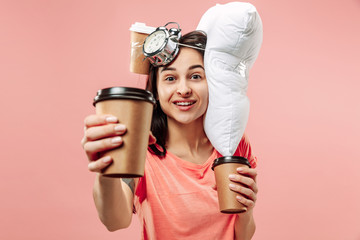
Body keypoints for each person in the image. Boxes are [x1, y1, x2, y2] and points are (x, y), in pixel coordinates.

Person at [81, 30, 258, 240]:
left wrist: (246, 211)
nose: (183, 89)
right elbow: (115, 221)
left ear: (213, 84)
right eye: (170, 78)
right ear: (155, 90)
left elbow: (243, 235)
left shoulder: (233, 143)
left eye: (195, 76)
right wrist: (106, 170)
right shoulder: (142, 149)